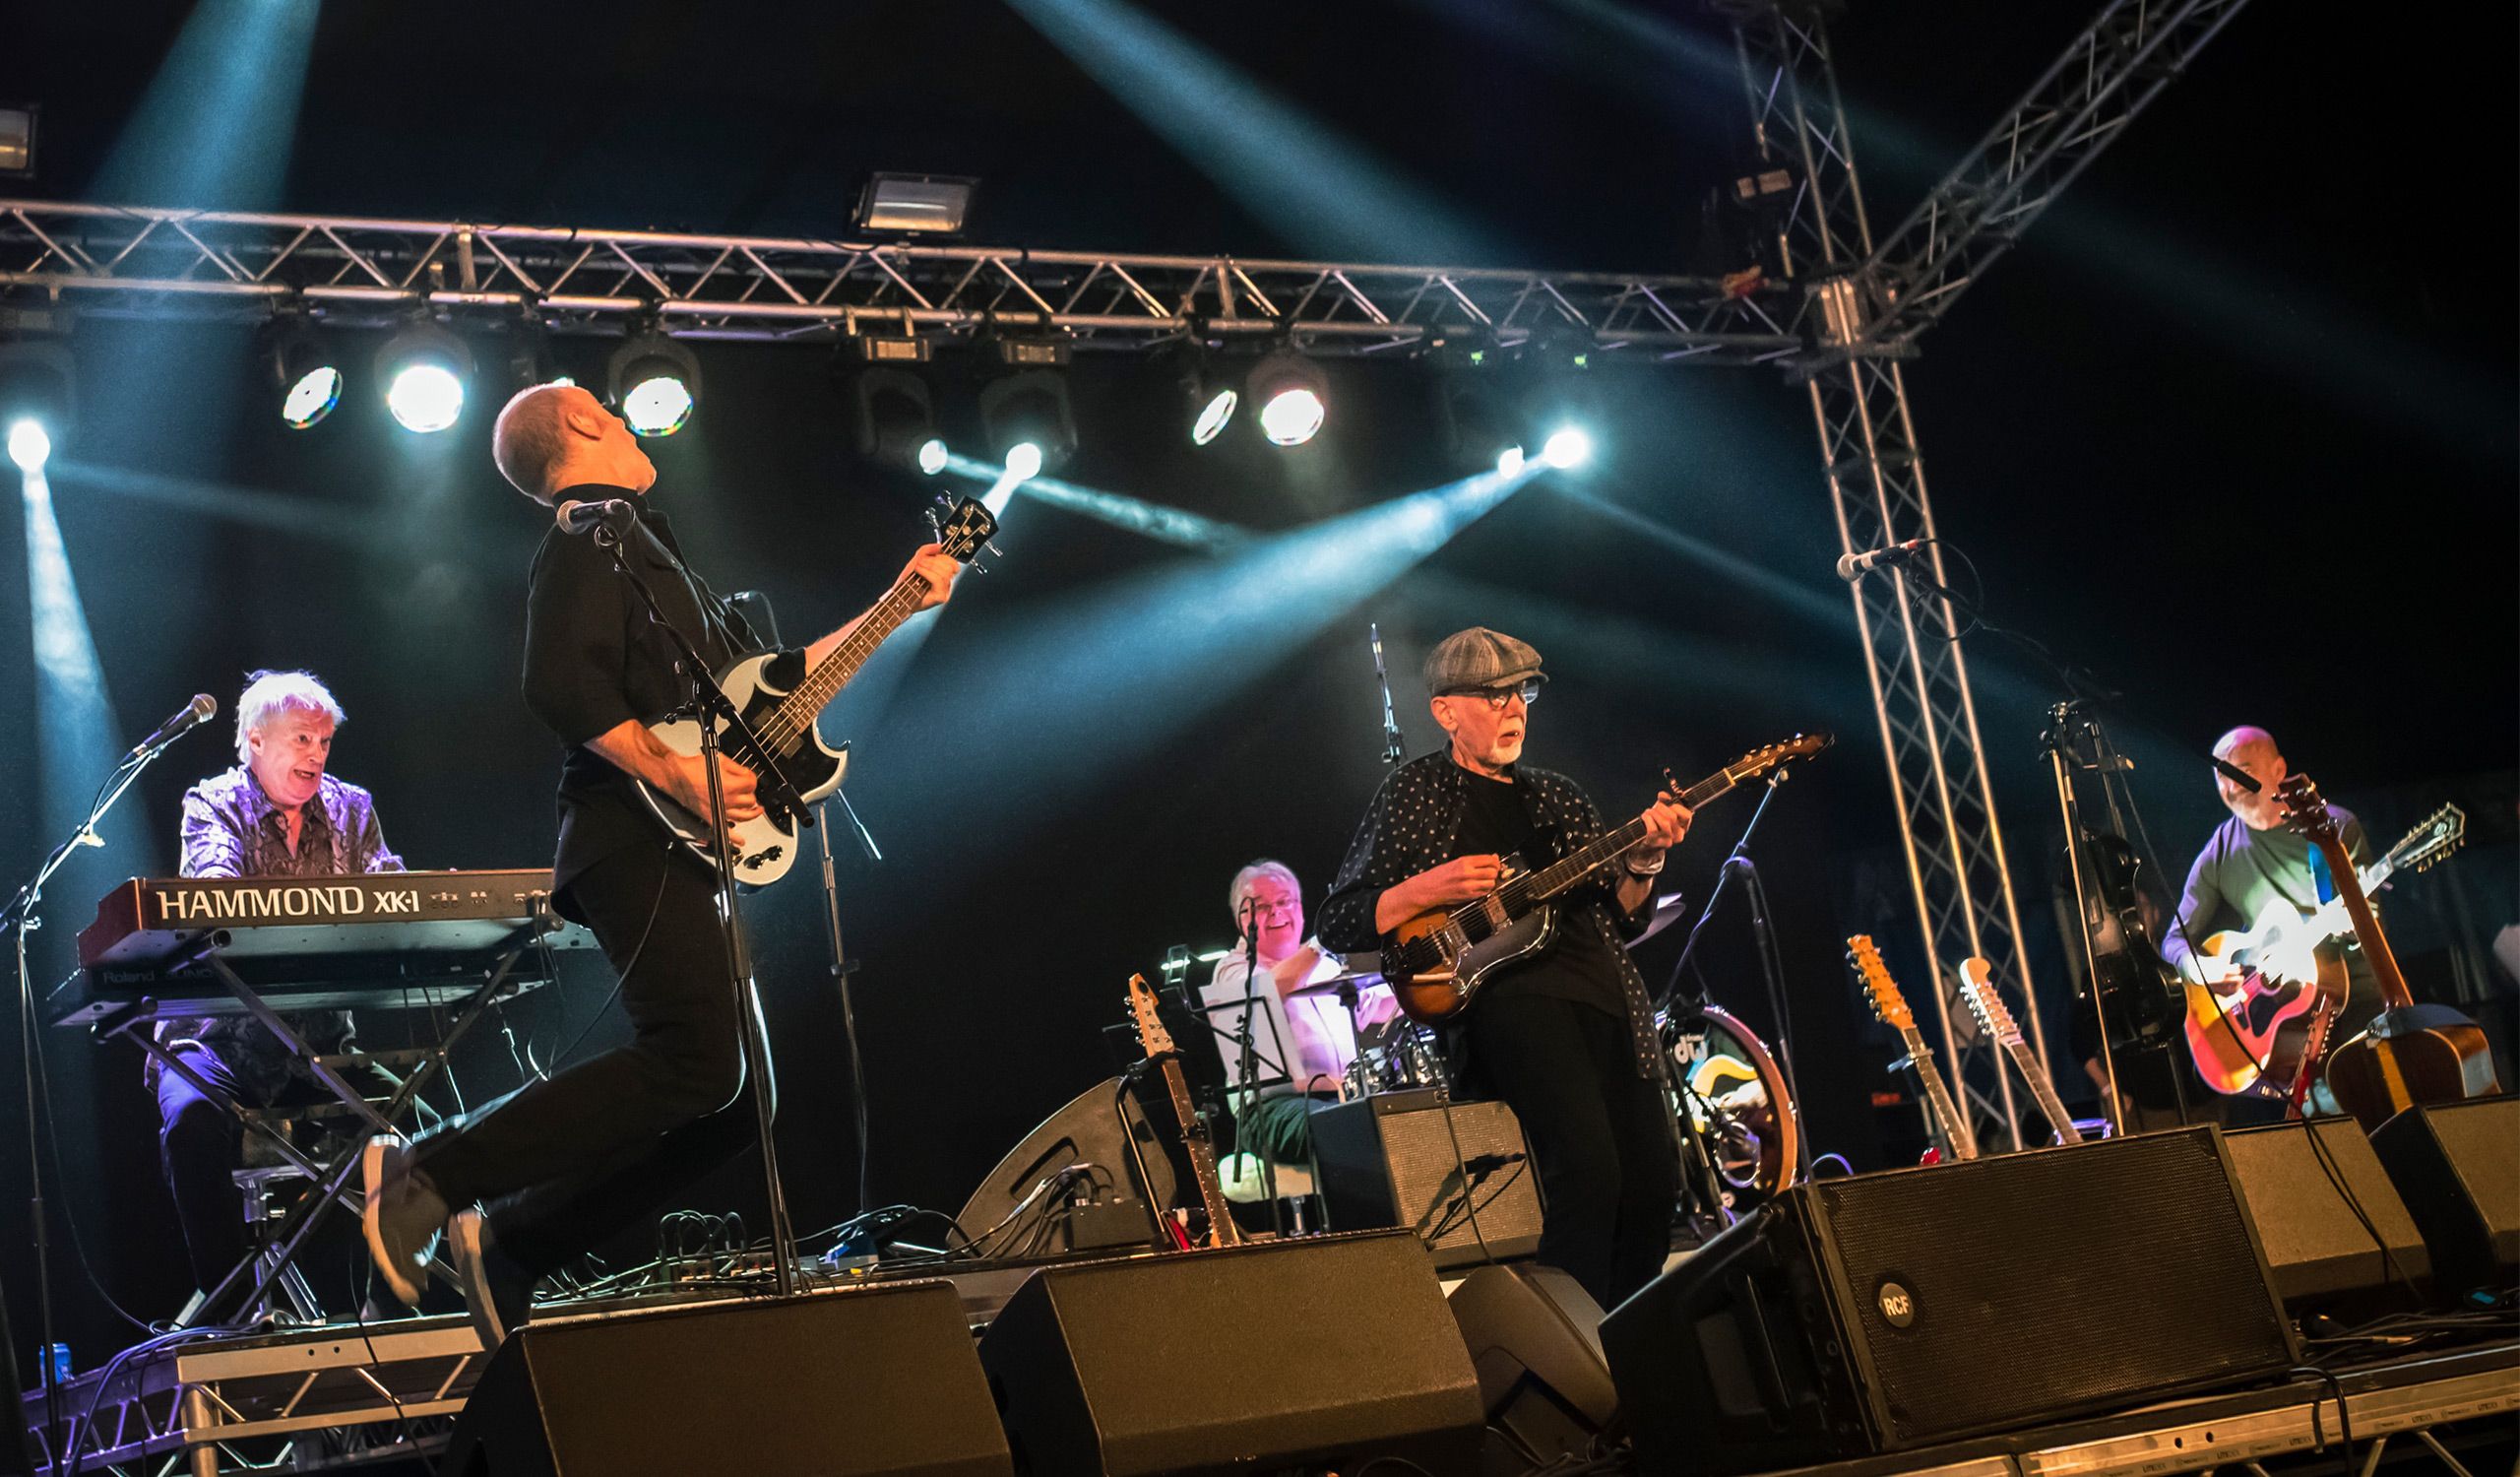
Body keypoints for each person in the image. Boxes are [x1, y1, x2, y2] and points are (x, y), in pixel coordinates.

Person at [361, 382, 960, 1344]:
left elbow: (776, 692)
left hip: (684, 850)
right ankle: (431, 1177)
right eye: (615, 409)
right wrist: (673, 774)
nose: (636, 425)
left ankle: (520, 1248)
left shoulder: (646, 550)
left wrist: (900, 602)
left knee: (738, 1102)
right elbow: (555, 682)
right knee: (693, 1064)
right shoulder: (585, 535)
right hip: (627, 834)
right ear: (589, 427)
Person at [1319, 628, 1689, 1308]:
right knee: (1589, 1174)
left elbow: (1628, 916)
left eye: (1521, 692)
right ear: (1445, 711)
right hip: (1513, 1005)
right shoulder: (1418, 792)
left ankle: (1628, 1344)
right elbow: (1341, 919)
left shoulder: (1558, 796)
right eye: (1493, 695)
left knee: (1652, 1191)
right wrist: (1428, 888)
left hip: (1610, 1000)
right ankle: (1572, 1351)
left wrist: (1646, 859)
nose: (1514, 707)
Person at [158, 670, 403, 1306]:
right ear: (255, 741)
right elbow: (218, 897)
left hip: (316, 1040)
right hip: (218, 1036)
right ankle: (233, 1309)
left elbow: (391, 897)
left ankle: (388, 1306)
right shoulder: (211, 804)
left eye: (325, 740)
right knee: (190, 1122)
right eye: (302, 738)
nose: (318, 754)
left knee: (412, 1123)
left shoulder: (353, 808)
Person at [2161, 725, 2377, 1043]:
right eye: (2221, 776)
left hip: (2356, 1000)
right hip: (2282, 1023)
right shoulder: (2218, 853)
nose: (2231, 786)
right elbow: (2173, 942)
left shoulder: (2333, 827)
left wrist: (2352, 927)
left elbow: (2370, 921)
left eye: (2243, 771)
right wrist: (2200, 971)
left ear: (2279, 769)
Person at [1198, 861, 1397, 1165]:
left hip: (1346, 1097)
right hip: (1273, 1110)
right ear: (1241, 919)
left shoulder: (1326, 966)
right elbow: (1273, 987)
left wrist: (1429, 976)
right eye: (1261, 906)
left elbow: (1381, 1005)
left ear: (1301, 910)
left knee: (1406, 1115)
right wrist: (1323, 941)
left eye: (1283, 901)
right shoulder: (1232, 968)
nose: (1276, 911)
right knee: (1351, 1129)